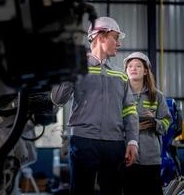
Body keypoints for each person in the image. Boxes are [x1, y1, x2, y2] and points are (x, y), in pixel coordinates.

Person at [51, 17, 139, 195]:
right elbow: (58, 98)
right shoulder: (78, 67)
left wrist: (132, 140)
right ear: (100, 36)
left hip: (115, 144)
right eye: (115, 37)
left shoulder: (120, 75)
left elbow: (130, 110)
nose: (119, 43)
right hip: (84, 141)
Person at [123, 52, 172, 195]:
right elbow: (112, 122)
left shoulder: (157, 96)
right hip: (126, 156)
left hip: (151, 158)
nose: (133, 68)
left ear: (145, 71)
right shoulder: (119, 94)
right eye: (130, 66)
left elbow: (167, 121)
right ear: (126, 70)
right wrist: (133, 127)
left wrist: (154, 123)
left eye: (138, 66)